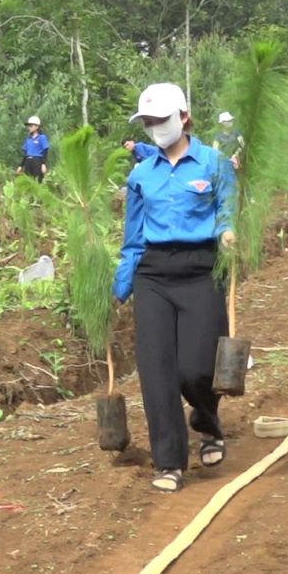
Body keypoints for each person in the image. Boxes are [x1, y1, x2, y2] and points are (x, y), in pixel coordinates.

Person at [113, 82, 237, 494]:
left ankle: (206, 421)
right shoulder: (140, 174)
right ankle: (169, 462)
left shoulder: (213, 164)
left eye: (161, 120)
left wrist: (228, 232)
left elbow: (227, 209)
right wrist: (121, 282)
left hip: (202, 269)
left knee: (196, 368)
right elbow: (133, 237)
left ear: (184, 117)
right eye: (148, 122)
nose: (154, 128)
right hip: (153, 274)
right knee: (156, 371)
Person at [16, 116, 50, 182]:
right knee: (28, 181)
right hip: (28, 161)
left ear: (37, 127)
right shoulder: (28, 139)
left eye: (31, 126)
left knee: (37, 181)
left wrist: (43, 164)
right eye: (28, 126)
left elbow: (45, 151)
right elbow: (26, 154)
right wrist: (21, 165)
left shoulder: (42, 137)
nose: (29, 127)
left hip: (37, 161)